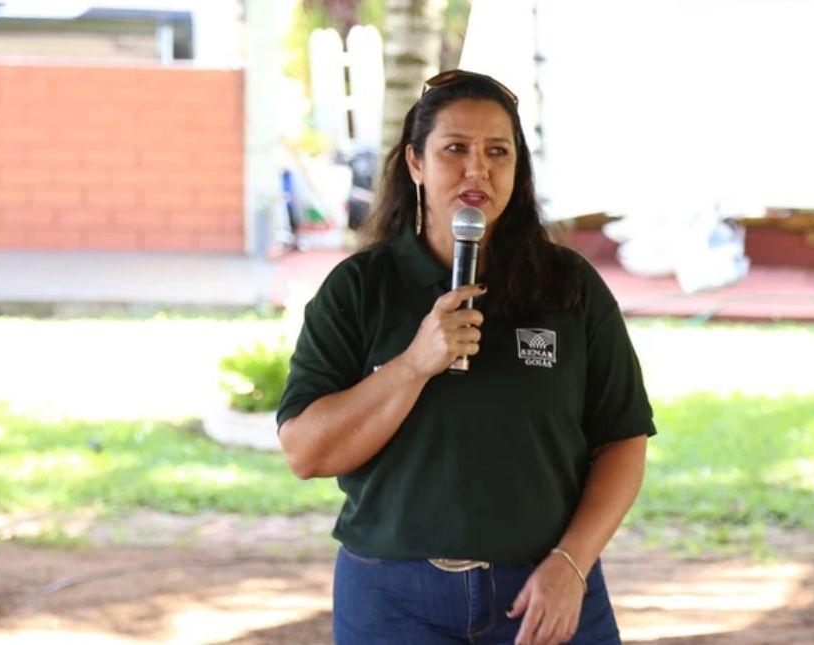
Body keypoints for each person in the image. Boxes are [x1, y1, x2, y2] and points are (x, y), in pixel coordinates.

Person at [276, 69, 656, 645]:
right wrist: (413, 364)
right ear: (415, 164)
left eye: (497, 151)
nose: (477, 168)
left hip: (541, 591)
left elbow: (622, 439)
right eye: (455, 148)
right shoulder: (360, 287)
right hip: (392, 600)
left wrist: (571, 564)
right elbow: (306, 452)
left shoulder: (568, 286)